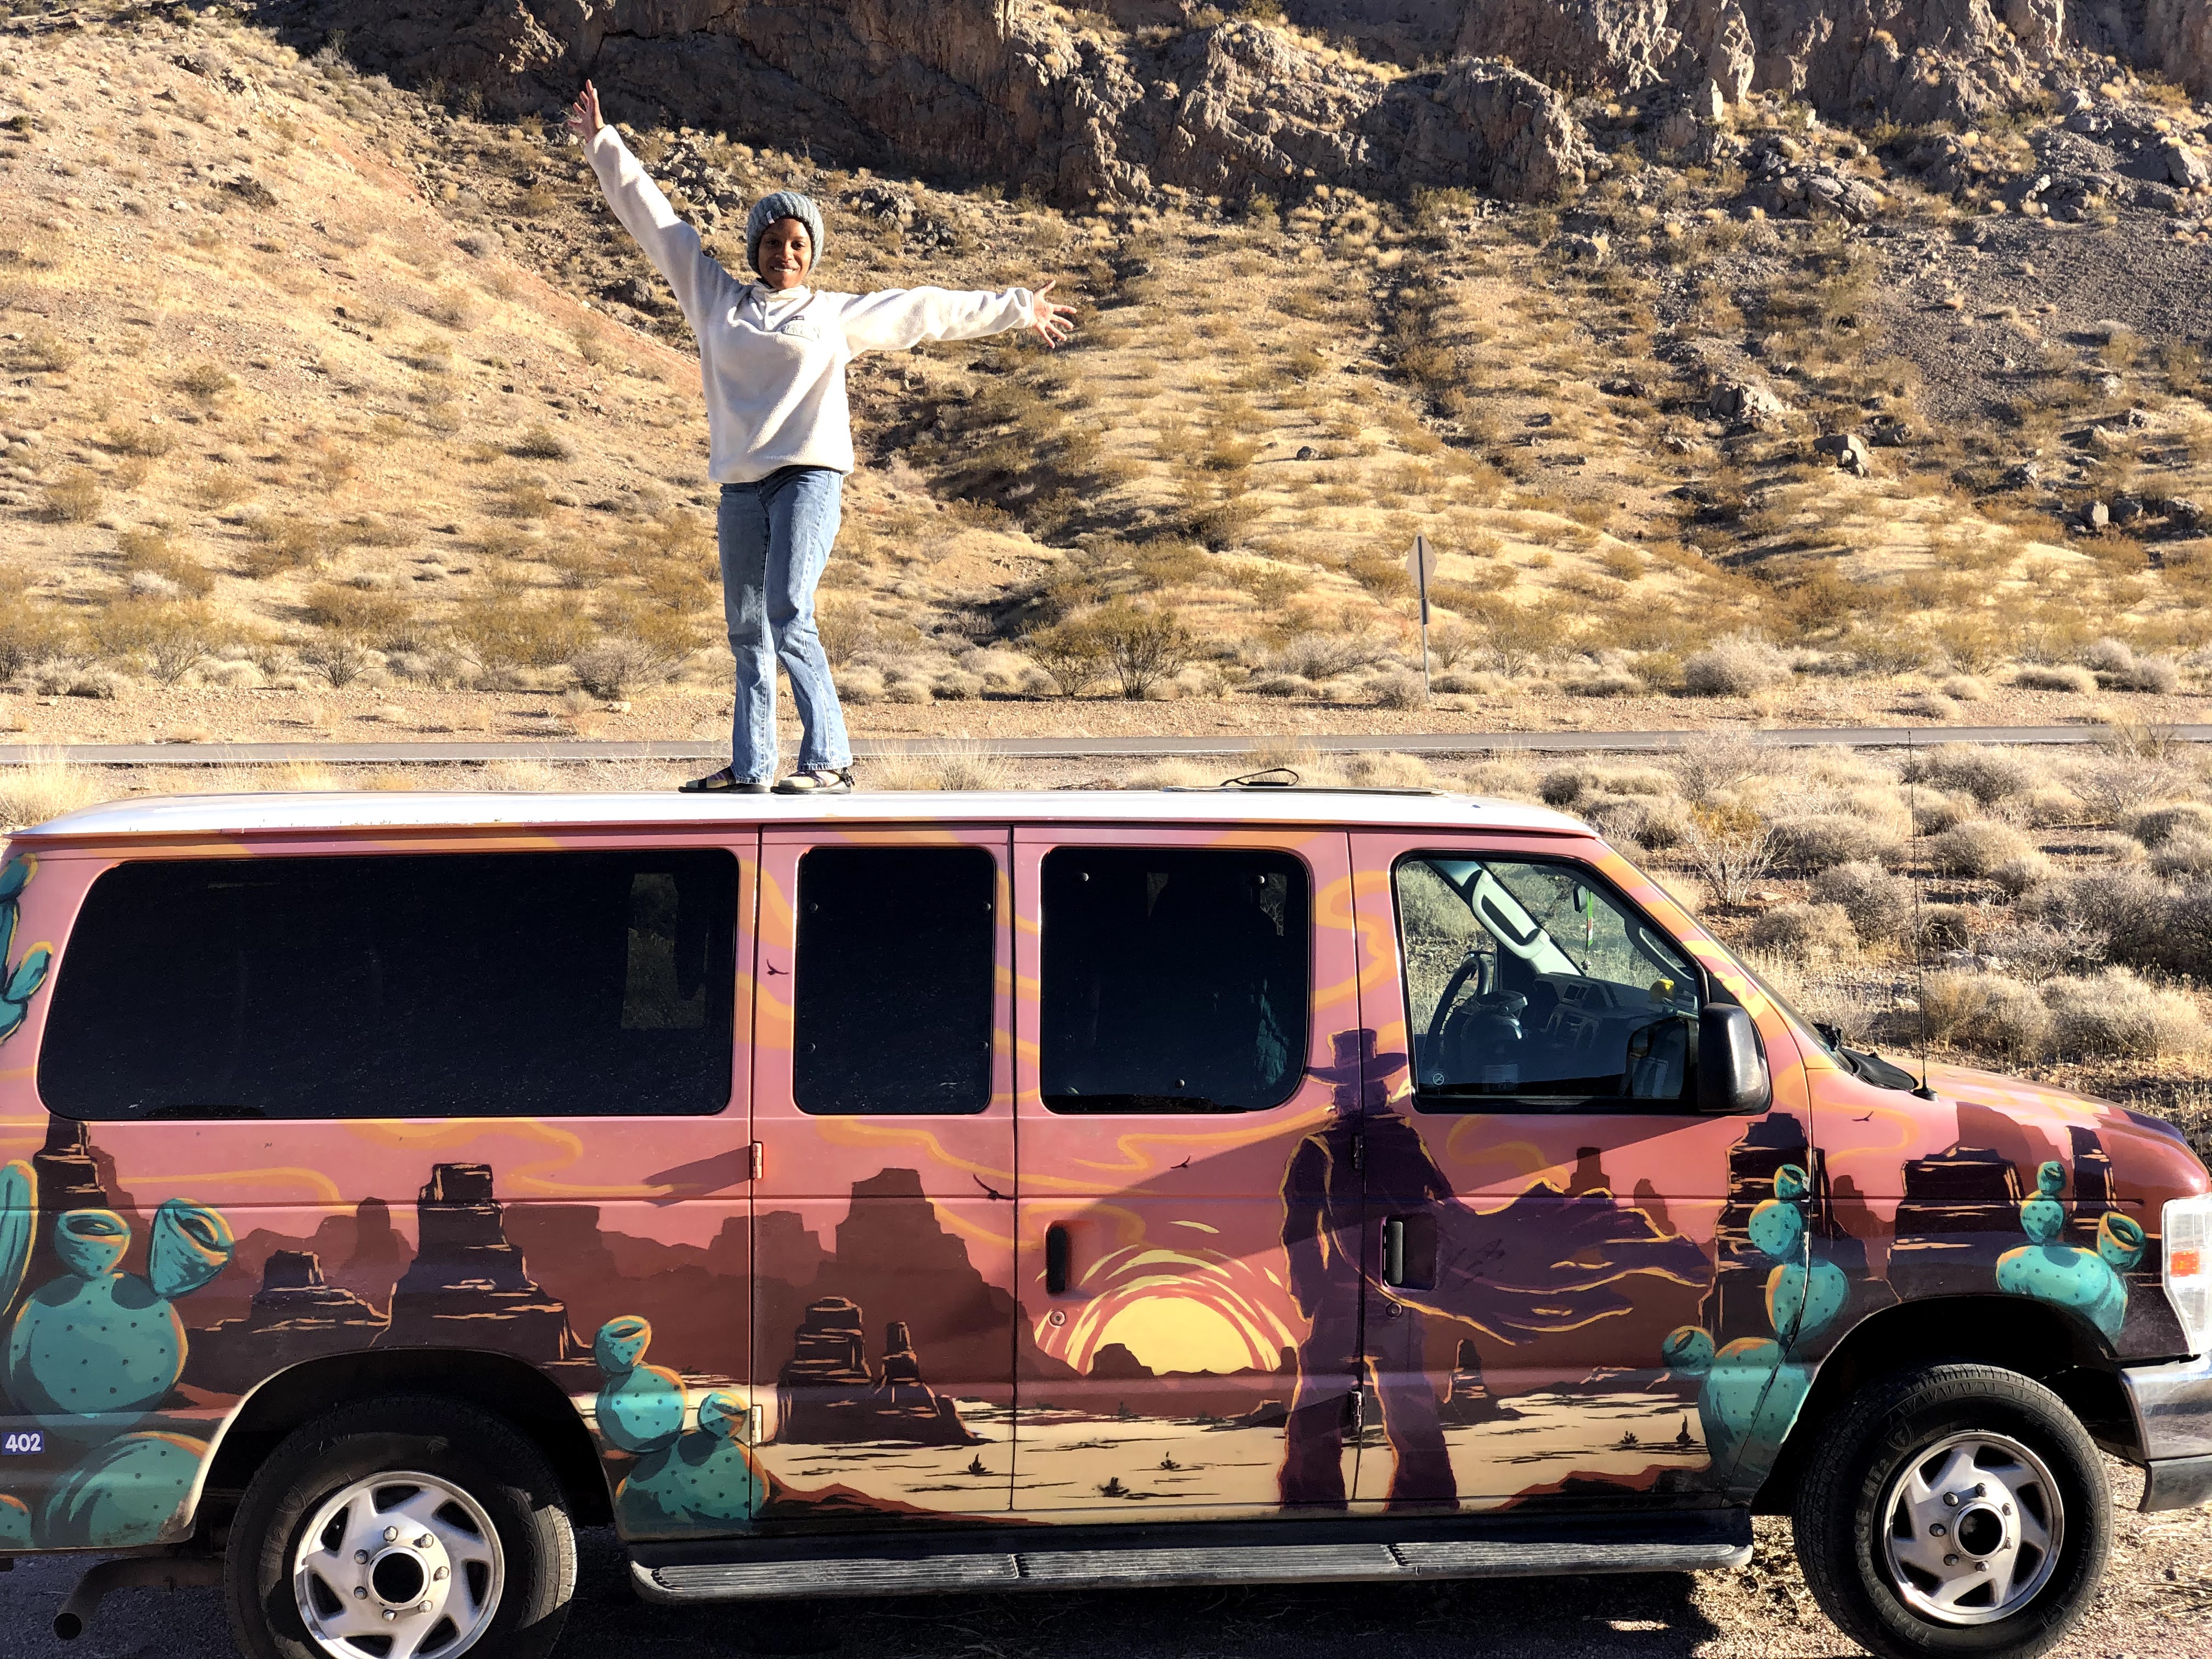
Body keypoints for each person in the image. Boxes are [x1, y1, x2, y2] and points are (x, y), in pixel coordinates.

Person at [565, 81, 1077, 794]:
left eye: (797, 243)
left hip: (809, 476)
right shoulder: (715, 299)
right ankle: (752, 771)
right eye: (773, 242)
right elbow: (658, 225)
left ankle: (830, 760)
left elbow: (923, 310)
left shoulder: (832, 316)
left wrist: (1016, 308)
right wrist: (602, 143)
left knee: (789, 609)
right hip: (741, 483)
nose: (785, 252)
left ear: (813, 254)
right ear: (755, 249)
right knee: (748, 630)